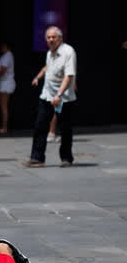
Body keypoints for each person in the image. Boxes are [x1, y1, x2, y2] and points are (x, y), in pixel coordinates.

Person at [26, 26, 77, 168]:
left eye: (53, 37)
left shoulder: (68, 52)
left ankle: (66, 158)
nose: (51, 40)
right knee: (40, 125)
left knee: (65, 128)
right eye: (48, 37)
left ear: (60, 38)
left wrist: (59, 94)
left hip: (63, 98)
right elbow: (47, 67)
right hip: (47, 95)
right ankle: (37, 158)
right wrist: (37, 77)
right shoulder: (50, 53)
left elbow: (69, 75)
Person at [0, 41, 16, 134]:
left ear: (6, 46)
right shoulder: (6, 55)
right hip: (3, 83)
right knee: (3, 106)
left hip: (6, 84)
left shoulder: (7, 56)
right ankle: (4, 127)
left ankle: (4, 128)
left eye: (3, 46)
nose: (1, 47)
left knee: (3, 106)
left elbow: (3, 70)